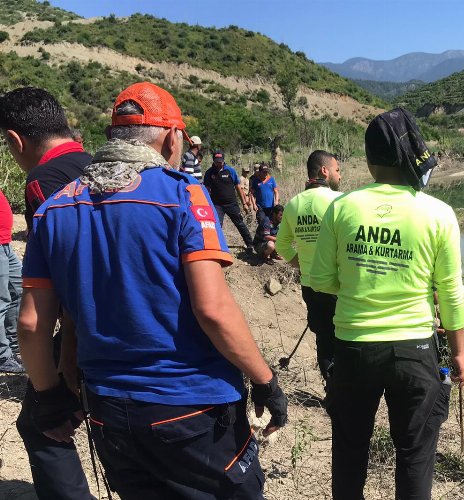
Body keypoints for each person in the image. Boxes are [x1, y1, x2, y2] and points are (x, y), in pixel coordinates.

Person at [18, 81, 288, 499]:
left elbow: (34, 322)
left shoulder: (54, 209)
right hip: (191, 405)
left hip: (108, 409)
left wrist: (49, 395)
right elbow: (213, 309)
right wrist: (266, 381)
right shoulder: (183, 195)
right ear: (170, 137)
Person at [310, 108, 464, 499]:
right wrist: (459, 353)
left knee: (349, 449)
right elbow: (450, 291)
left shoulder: (342, 207)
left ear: (368, 161)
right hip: (414, 351)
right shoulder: (438, 214)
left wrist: (363, 278)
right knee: (415, 452)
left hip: (352, 350)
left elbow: (321, 281)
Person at [0, 86, 94, 499]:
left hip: (86, 328)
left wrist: (62, 367)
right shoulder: (97, 165)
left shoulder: (43, 183)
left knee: (43, 421)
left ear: (14, 140)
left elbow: (54, 288)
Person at [276, 150, 341, 381]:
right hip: (337, 287)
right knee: (345, 338)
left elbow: (282, 245)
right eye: (337, 170)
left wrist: (302, 264)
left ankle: (330, 389)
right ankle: (345, 394)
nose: (339, 176)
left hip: (310, 286)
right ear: (324, 171)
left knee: (323, 338)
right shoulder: (339, 201)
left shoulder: (294, 204)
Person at [203, 150, 254, 248]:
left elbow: (238, 187)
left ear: (223, 160)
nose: (219, 163)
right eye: (217, 161)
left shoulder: (230, 171)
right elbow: (207, 190)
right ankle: (216, 246)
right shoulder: (209, 173)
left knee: (240, 223)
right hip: (217, 205)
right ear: (213, 160)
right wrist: (207, 205)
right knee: (216, 225)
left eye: (221, 161)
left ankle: (250, 244)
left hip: (231, 203)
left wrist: (244, 203)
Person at [0, 188, 23, 374]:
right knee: (1, 300)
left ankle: (16, 347)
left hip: (5, 243)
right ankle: (2, 356)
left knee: (18, 289)